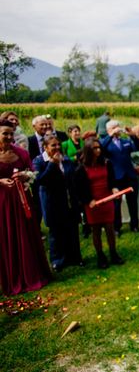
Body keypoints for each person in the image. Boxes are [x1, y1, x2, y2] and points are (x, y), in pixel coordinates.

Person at [0, 119, 51, 295]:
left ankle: (32, 273)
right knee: (7, 236)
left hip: (22, 201)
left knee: (25, 235)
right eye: (4, 133)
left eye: (10, 133)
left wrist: (24, 176)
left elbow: (33, 173)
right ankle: (12, 277)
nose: (8, 136)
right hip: (3, 203)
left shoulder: (21, 153)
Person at [34, 134, 84, 271]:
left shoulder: (66, 159)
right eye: (53, 145)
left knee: (72, 230)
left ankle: (75, 257)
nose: (57, 148)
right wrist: (51, 164)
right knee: (56, 233)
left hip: (68, 200)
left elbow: (72, 180)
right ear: (45, 147)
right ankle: (57, 260)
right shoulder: (39, 161)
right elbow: (40, 181)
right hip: (52, 202)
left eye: (58, 145)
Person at [74, 138, 123, 269]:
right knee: (95, 230)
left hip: (106, 199)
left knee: (110, 228)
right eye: (95, 148)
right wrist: (88, 200)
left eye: (99, 148)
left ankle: (113, 253)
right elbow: (79, 189)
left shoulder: (107, 163)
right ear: (88, 150)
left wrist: (114, 189)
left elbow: (112, 181)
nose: (98, 150)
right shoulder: (81, 168)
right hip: (92, 202)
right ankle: (100, 256)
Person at [100, 120, 139, 235]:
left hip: (130, 176)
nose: (117, 129)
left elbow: (138, 147)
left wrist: (133, 135)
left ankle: (134, 225)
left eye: (117, 127)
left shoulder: (125, 142)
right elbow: (101, 149)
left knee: (132, 202)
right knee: (116, 204)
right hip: (116, 178)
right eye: (114, 127)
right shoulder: (106, 142)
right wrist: (110, 135)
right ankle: (116, 227)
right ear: (108, 130)